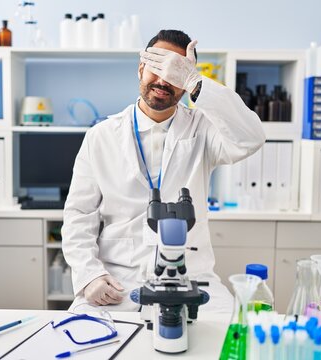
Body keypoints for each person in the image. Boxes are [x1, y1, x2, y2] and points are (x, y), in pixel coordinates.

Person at [62, 29, 265, 312]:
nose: (163, 80)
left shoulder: (203, 129)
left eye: (176, 72)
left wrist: (195, 81)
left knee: (229, 342)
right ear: (140, 68)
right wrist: (89, 275)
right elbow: (79, 215)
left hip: (192, 280)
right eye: (157, 67)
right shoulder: (101, 136)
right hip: (117, 282)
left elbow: (251, 137)